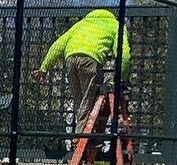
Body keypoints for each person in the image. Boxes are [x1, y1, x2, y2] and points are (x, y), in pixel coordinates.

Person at [36, 8, 131, 138]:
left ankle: (81, 134)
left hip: (70, 58)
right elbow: (124, 55)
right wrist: (122, 79)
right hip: (91, 59)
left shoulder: (81, 24)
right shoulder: (116, 25)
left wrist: (44, 68)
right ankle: (83, 136)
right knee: (89, 99)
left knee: (80, 101)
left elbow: (57, 45)